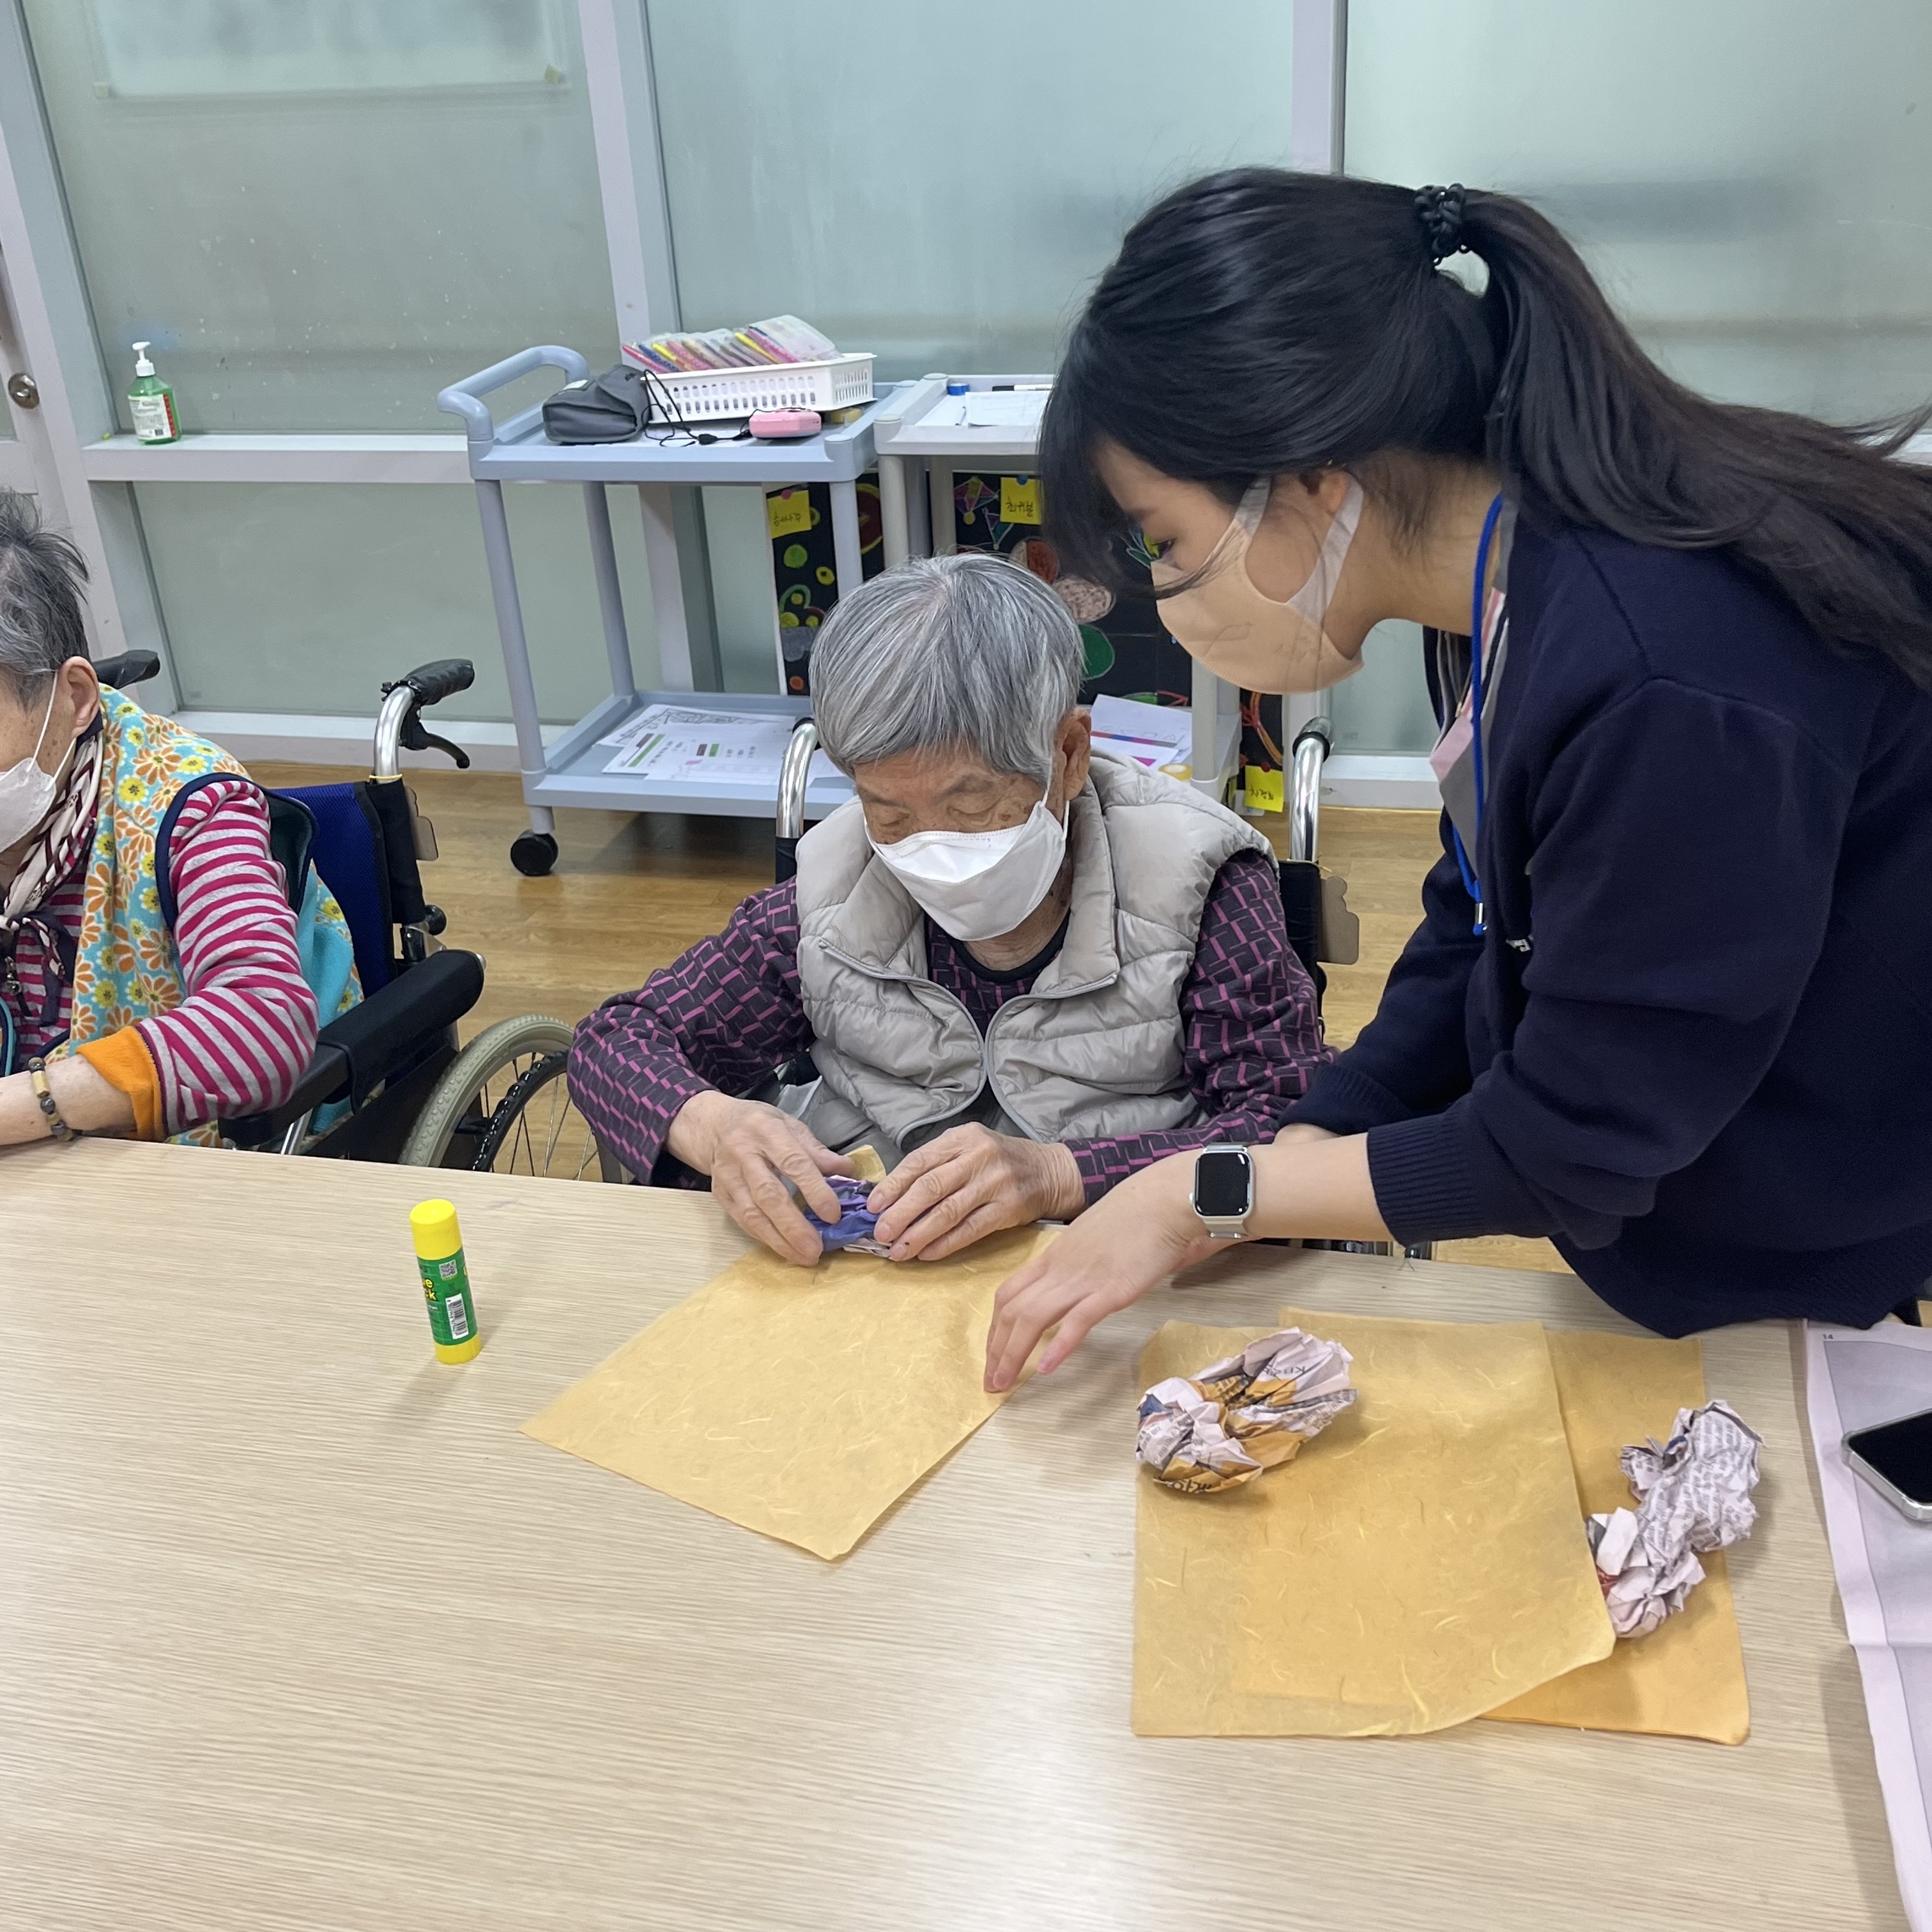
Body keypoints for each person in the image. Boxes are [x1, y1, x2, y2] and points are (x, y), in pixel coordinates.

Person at [980, 166, 1932, 1391]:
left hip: (1816, 1197)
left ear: (1308, 473)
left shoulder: (1662, 670)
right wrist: (1310, 1141)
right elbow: (1480, 907)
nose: (1165, 593)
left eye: (1164, 541)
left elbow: (1574, 1140)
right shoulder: (1498, 583)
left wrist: (1207, 1188)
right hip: (1714, 1182)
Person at [571, 551, 1329, 1265]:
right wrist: (715, 1125)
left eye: (971, 805)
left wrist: (1063, 1175)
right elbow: (619, 1039)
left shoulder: (1197, 882)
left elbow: (1287, 1125)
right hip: (871, 1265)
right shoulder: (833, 886)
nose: (930, 847)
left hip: (1120, 1254)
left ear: (1068, 755)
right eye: (889, 811)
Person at [0, 491, 350, 1147]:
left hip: (198, 1156)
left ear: (74, 697)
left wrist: (30, 1104)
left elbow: (261, 1024)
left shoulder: (188, 806)